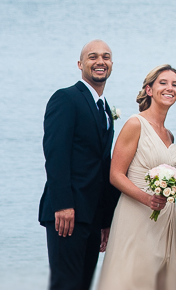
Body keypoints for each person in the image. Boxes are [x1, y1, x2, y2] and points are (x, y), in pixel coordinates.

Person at [40, 39, 121, 290]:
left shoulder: (105, 108)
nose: (100, 62)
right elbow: (56, 155)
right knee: (66, 284)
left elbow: (103, 163)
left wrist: (106, 219)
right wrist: (63, 204)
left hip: (93, 216)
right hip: (67, 214)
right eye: (93, 57)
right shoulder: (66, 98)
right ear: (80, 64)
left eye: (106, 57)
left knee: (83, 284)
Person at [96, 65, 176, 290]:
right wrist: (147, 199)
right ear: (149, 89)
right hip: (136, 214)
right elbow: (115, 175)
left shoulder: (169, 134)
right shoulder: (136, 124)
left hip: (165, 219)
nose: (170, 88)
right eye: (163, 83)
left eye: (175, 85)